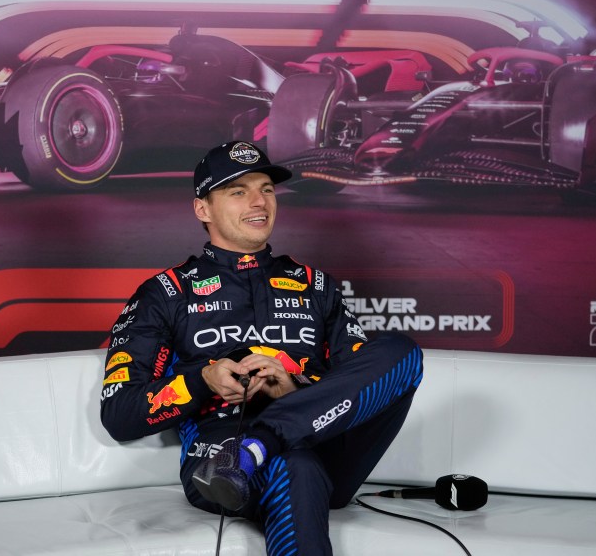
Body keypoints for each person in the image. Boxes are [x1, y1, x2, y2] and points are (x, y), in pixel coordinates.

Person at [100, 140, 423, 555]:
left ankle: (259, 445)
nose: (259, 201)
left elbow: (359, 383)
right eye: (238, 191)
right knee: (295, 465)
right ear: (203, 209)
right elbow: (119, 414)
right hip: (218, 460)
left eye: (267, 189)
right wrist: (204, 380)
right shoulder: (165, 293)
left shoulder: (316, 285)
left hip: (321, 443)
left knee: (403, 350)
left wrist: (295, 389)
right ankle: (258, 448)